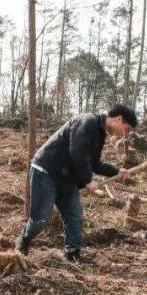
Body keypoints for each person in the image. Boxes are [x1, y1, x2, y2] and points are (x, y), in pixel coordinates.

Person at [15, 103, 137, 263]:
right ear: (119, 119)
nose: (124, 134)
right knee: (41, 218)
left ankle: (72, 254)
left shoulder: (100, 134)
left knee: (74, 215)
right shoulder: (87, 122)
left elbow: (94, 163)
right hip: (46, 171)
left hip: (66, 178)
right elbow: (77, 154)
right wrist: (88, 180)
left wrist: (117, 172)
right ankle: (21, 244)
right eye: (126, 129)